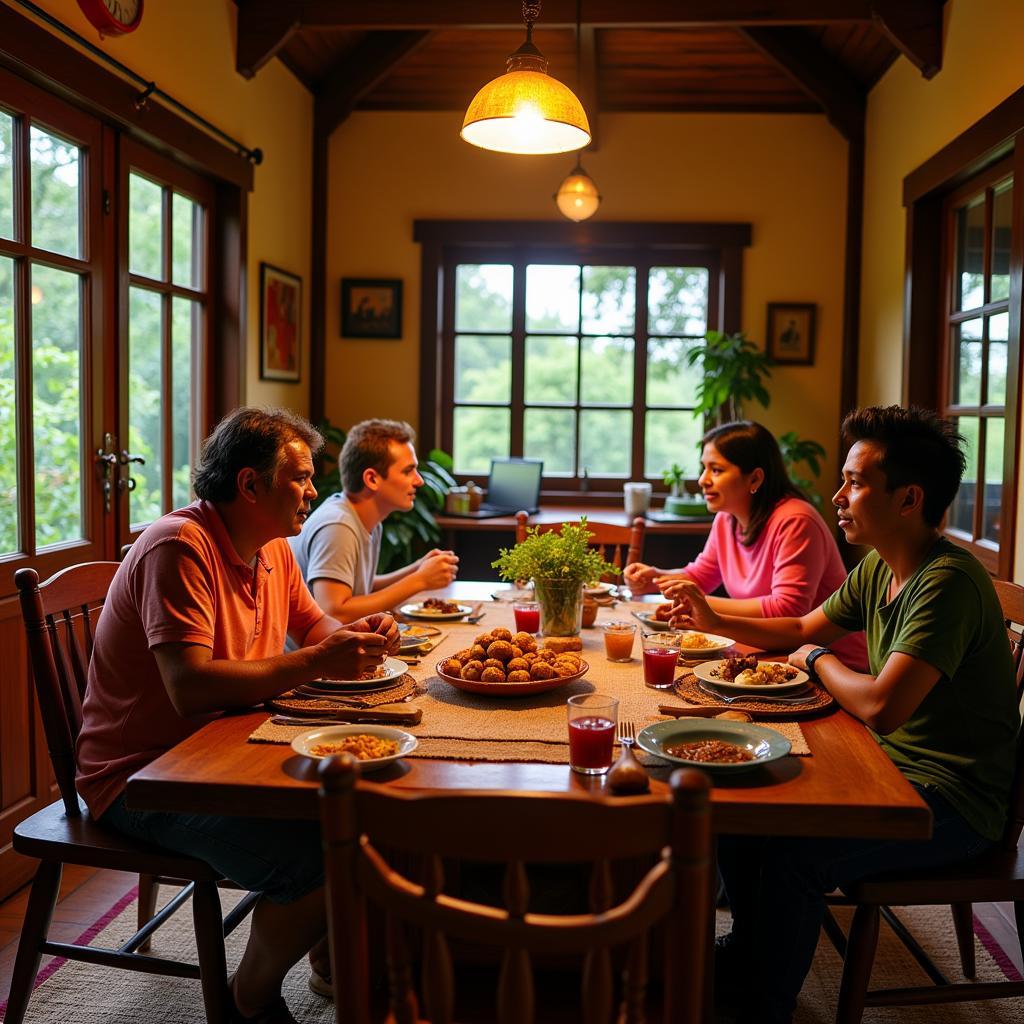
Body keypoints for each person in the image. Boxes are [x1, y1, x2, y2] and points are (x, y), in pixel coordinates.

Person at [661, 405, 1020, 1024]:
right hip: (894, 768)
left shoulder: (947, 582)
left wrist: (817, 657)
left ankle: (761, 1005)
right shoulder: (882, 565)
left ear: (908, 499)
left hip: (954, 802)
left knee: (796, 856)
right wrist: (714, 618)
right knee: (746, 813)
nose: (838, 495)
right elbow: (801, 623)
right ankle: (747, 960)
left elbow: (880, 705)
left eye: (855, 482)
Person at [76, 407, 400, 1024]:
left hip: (224, 748)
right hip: (141, 777)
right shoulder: (180, 546)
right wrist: (317, 662)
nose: (313, 491)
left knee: (365, 815)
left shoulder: (273, 546)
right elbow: (190, 688)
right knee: (328, 856)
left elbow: (313, 625)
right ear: (250, 485)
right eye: (301, 477)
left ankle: (333, 958)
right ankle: (249, 998)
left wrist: (358, 637)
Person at [624, 420, 866, 668]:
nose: (702, 480)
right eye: (704, 468)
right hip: (773, 653)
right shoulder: (727, 519)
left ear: (755, 479)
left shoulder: (796, 520)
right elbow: (701, 575)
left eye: (716, 470)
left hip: (833, 665)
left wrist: (699, 604)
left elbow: (788, 608)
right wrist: (656, 579)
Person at [289, 418, 458, 620]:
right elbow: (334, 611)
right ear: (372, 479)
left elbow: (361, 587)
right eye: (408, 471)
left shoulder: (367, 520)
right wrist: (419, 580)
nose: (419, 480)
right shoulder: (338, 525)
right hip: (316, 650)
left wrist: (417, 568)